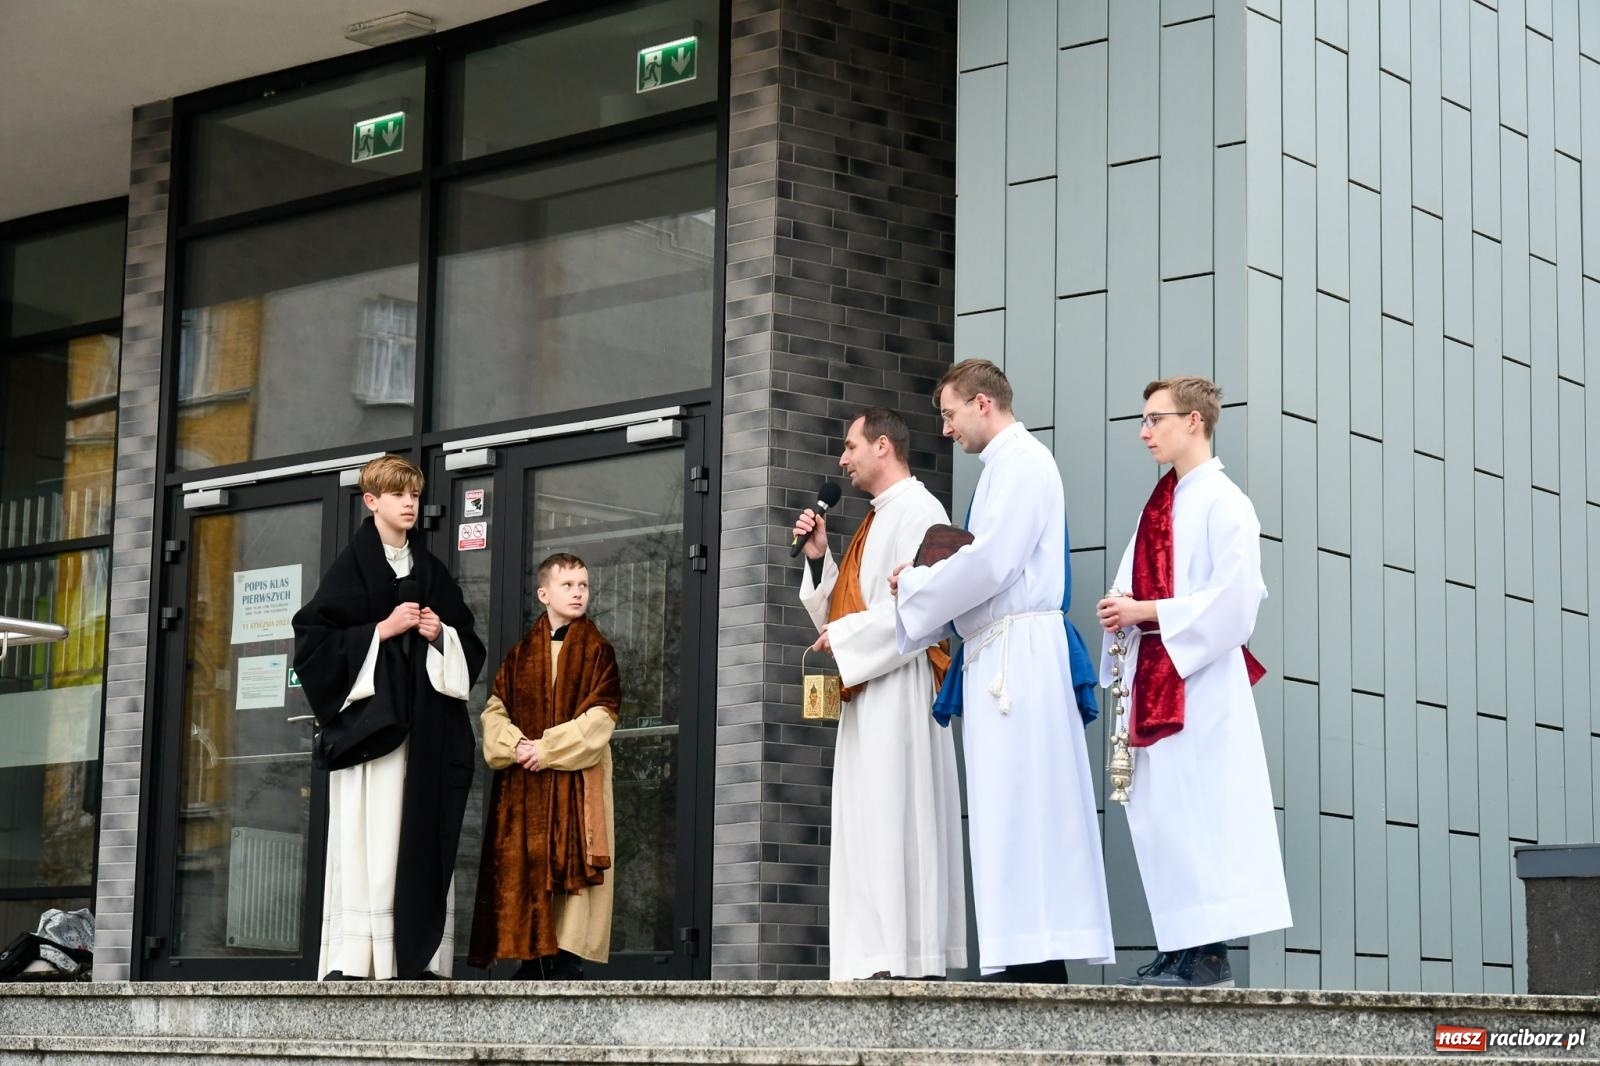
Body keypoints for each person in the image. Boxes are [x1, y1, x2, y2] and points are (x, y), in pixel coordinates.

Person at [890, 360, 1114, 982]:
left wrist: (919, 583)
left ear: (982, 403)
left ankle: (1034, 959)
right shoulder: (1001, 468)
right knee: (1005, 807)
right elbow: (981, 563)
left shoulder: (1023, 464)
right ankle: (1020, 951)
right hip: (1003, 652)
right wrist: (927, 583)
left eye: (950, 413)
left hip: (1021, 658)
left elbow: (992, 564)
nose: (946, 429)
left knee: (1026, 802)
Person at [1095, 376, 1292, 988]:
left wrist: (1145, 611)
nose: (1144, 431)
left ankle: (1209, 953)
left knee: (1202, 809)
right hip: (1157, 670)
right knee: (1164, 815)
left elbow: (1236, 603)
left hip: (1199, 679)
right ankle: (1180, 943)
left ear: (1194, 421)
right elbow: (1133, 584)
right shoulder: (1161, 503)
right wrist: (1121, 608)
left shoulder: (1225, 502)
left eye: (1155, 419)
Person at [293, 454, 485, 980]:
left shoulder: (432, 571)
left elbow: (470, 646)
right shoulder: (350, 569)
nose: (409, 504)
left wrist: (440, 635)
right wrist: (382, 629)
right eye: (398, 494)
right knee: (370, 837)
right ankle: (359, 957)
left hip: (424, 736)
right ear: (371, 501)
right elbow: (312, 645)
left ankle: (416, 957)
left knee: (418, 833)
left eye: (415, 495)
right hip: (373, 738)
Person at [792, 407, 967, 981]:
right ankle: (873, 955)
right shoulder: (879, 516)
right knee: (866, 821)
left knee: (897, 816)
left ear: (883, 446)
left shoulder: (920, 512)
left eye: (850, 446)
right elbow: (849, 607)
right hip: (870, 688)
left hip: (901, 689)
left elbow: (925, 611)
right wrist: (819, 558)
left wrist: (843, 637)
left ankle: (907, 955)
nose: (842, 459)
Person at [469, 553, 620, 980]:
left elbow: (601, 718)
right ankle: (532, 957)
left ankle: (566, 957)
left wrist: (547, 749)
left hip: (578, 778)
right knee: (529, 862)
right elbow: (494, 712)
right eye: (567, 585)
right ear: (544, 594)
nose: (578, 593)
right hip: (527, 784)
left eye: (583, 585)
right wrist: (516, 746)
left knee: (574, 861)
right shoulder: (520, 656)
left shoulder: (598, 652)